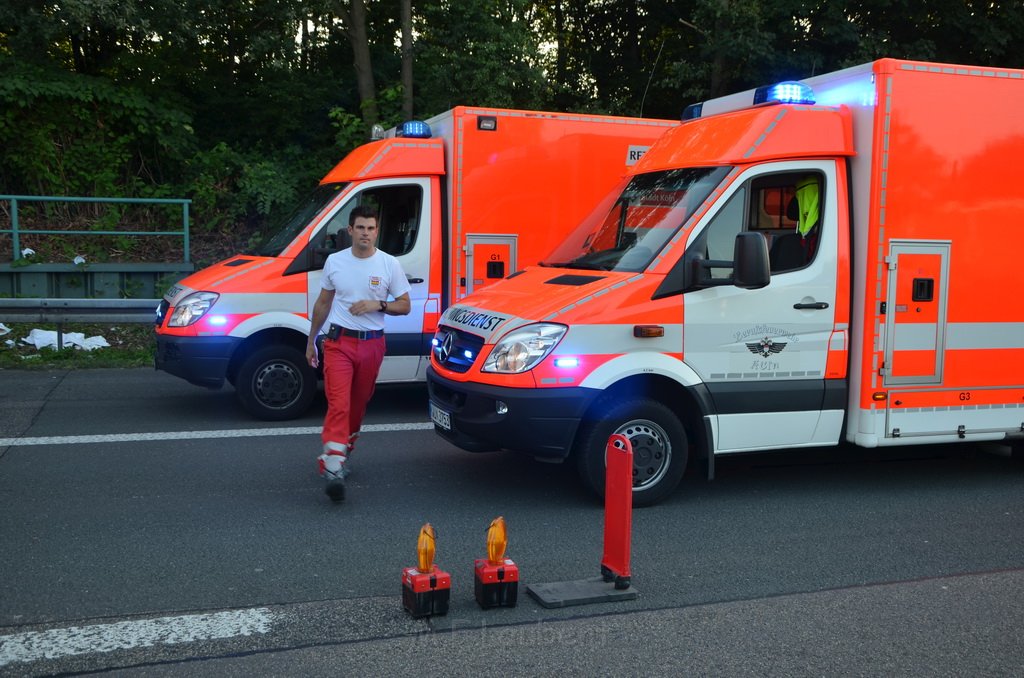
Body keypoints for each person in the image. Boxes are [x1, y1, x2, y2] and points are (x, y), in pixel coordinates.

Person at [306, 205, 411, 502]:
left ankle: (341, 452)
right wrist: (311, 340)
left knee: (356, 405)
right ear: (350, 231)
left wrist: (377, 305)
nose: (365, 233)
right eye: (360, 228)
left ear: (377, 232)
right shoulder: (335, 262)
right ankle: (334, 467)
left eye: (371, 228)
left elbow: (405, 305)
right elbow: (323, 304)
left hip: (372, 345)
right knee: (338, 403)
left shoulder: (389, 264)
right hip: (338, 343)